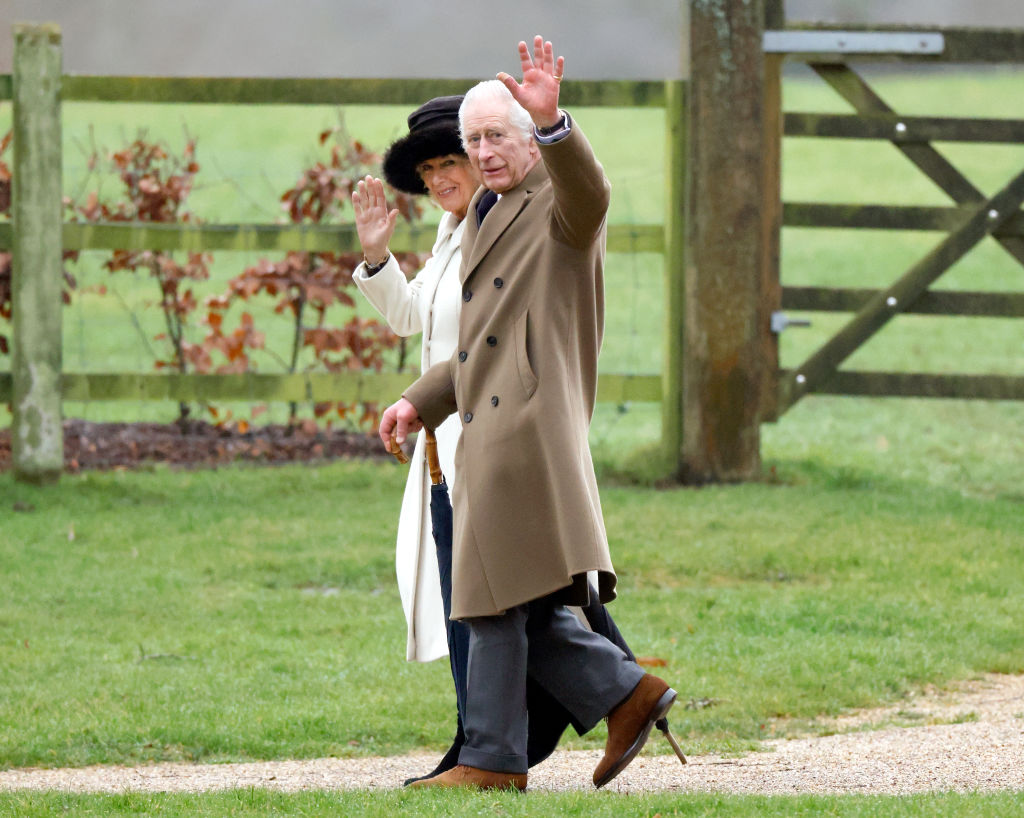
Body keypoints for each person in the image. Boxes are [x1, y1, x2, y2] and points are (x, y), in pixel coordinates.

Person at [378, 37, 677, 791]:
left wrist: (554, 126)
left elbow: (590, 192)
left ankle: (493, 757)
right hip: (488, 424)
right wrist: (420, 399)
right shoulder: (489, 210)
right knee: (509, 596)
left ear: (526, 139)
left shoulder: (559, 204)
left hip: (529, 428)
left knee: (488, 595)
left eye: (496, 136)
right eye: (473, 140)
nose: (483, 153)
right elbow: (482, 343)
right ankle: (621, 696)